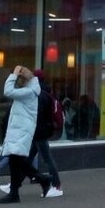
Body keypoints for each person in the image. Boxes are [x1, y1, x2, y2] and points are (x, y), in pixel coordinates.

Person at [0, 65, 52, 203]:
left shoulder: (28, 92)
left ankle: (41, 180)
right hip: (20, 129)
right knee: (15, 161)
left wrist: (13, 75)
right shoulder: (30, 90)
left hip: (21, 130)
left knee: (17, 161)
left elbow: (8, 91)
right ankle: (16, 192)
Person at [27, 69, 64, 198]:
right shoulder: (45, 92)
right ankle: (14, 184)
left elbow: (38, 114)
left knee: (47, 159)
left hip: (39, 132)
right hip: (40, 131)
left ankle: (56, 185)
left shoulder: (40, 94)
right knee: (27, 159)